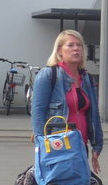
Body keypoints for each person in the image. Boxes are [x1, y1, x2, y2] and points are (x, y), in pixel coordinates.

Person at [30, 29, 102, 175]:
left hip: (81, 145)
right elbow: (37, 112)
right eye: (70, 45)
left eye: (79, 45)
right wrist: (41, 145)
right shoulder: (49, 75)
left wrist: (97, 146)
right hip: (58, 145)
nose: (76, 49)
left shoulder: (86, 78)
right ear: (59, 51)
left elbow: (94, 114)